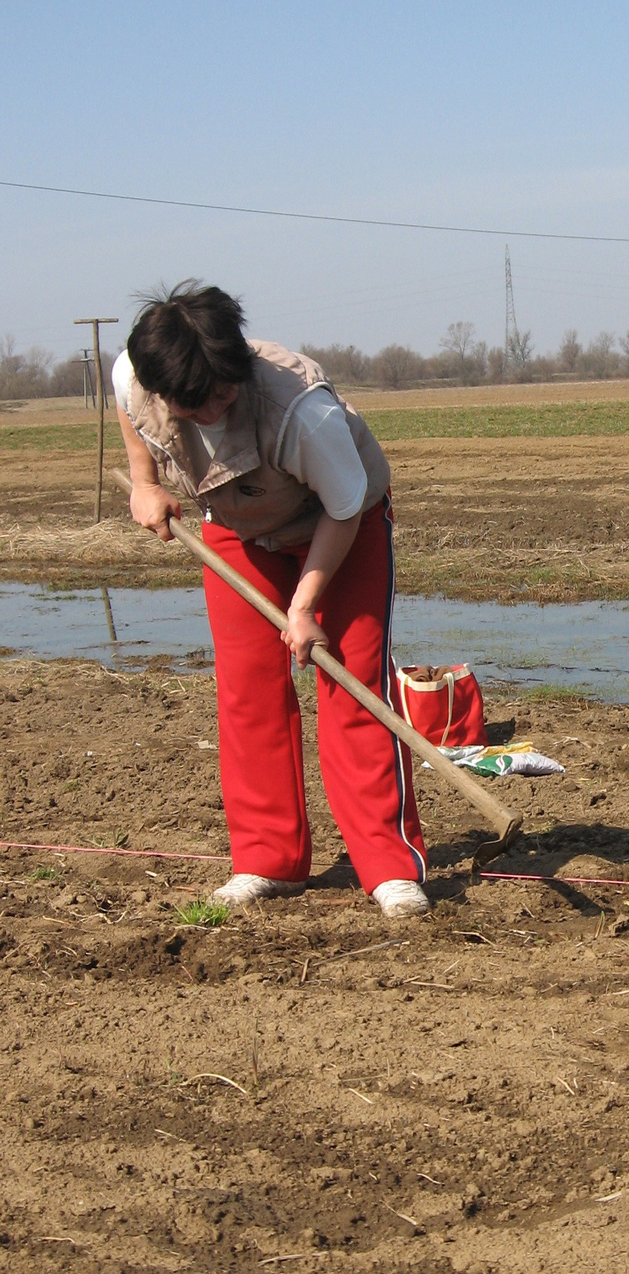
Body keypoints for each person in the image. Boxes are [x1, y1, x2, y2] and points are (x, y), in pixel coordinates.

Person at [112, 281, 429, 920]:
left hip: (342, 525)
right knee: (248, 686)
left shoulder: (301, 408)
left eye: (223, 396)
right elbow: (127, 410)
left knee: (353, 683)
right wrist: (145, 483)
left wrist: (305, 605)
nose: (211, 414)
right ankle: (267, 860)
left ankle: (389, 867)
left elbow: (344, 510)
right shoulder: (136, 372)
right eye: (192, 405)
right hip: (236, 527)